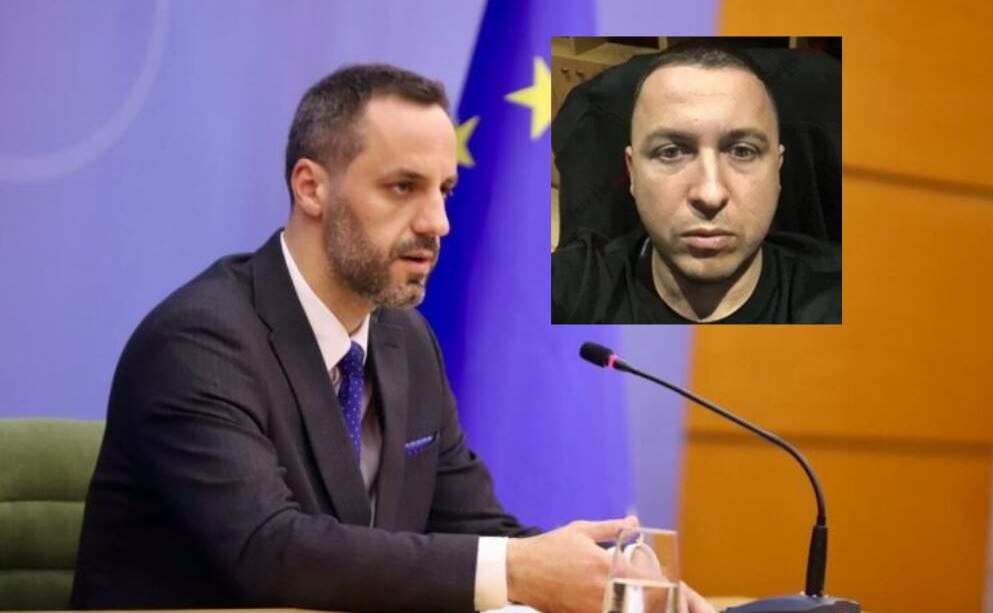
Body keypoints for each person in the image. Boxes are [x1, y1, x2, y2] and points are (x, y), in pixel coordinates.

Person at [71, 64, 713, 613]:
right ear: (311, 187)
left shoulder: (404, 340)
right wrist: (519, 571)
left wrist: (610, 578)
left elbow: (474, 529)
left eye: (445, 190)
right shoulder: (200, 343)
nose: (437, 222)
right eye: (403, 187)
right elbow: (270, 551)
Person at [552, 44, 841, 324]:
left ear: (778, 169)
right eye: (671, 152)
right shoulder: (572, 287)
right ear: (632, 172)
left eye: (742, 151)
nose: (710, 194)